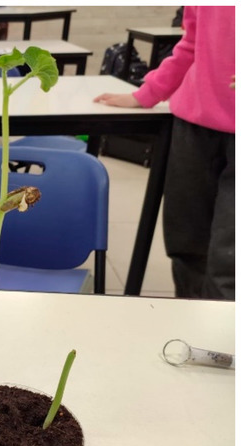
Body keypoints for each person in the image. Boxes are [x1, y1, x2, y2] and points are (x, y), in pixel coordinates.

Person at [94, 6, 235, 300]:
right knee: (186, 246)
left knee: (229, 260)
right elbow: (192, 43)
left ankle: (224, 328)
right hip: (193, 127)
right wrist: (146, 93)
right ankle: (191, 322)